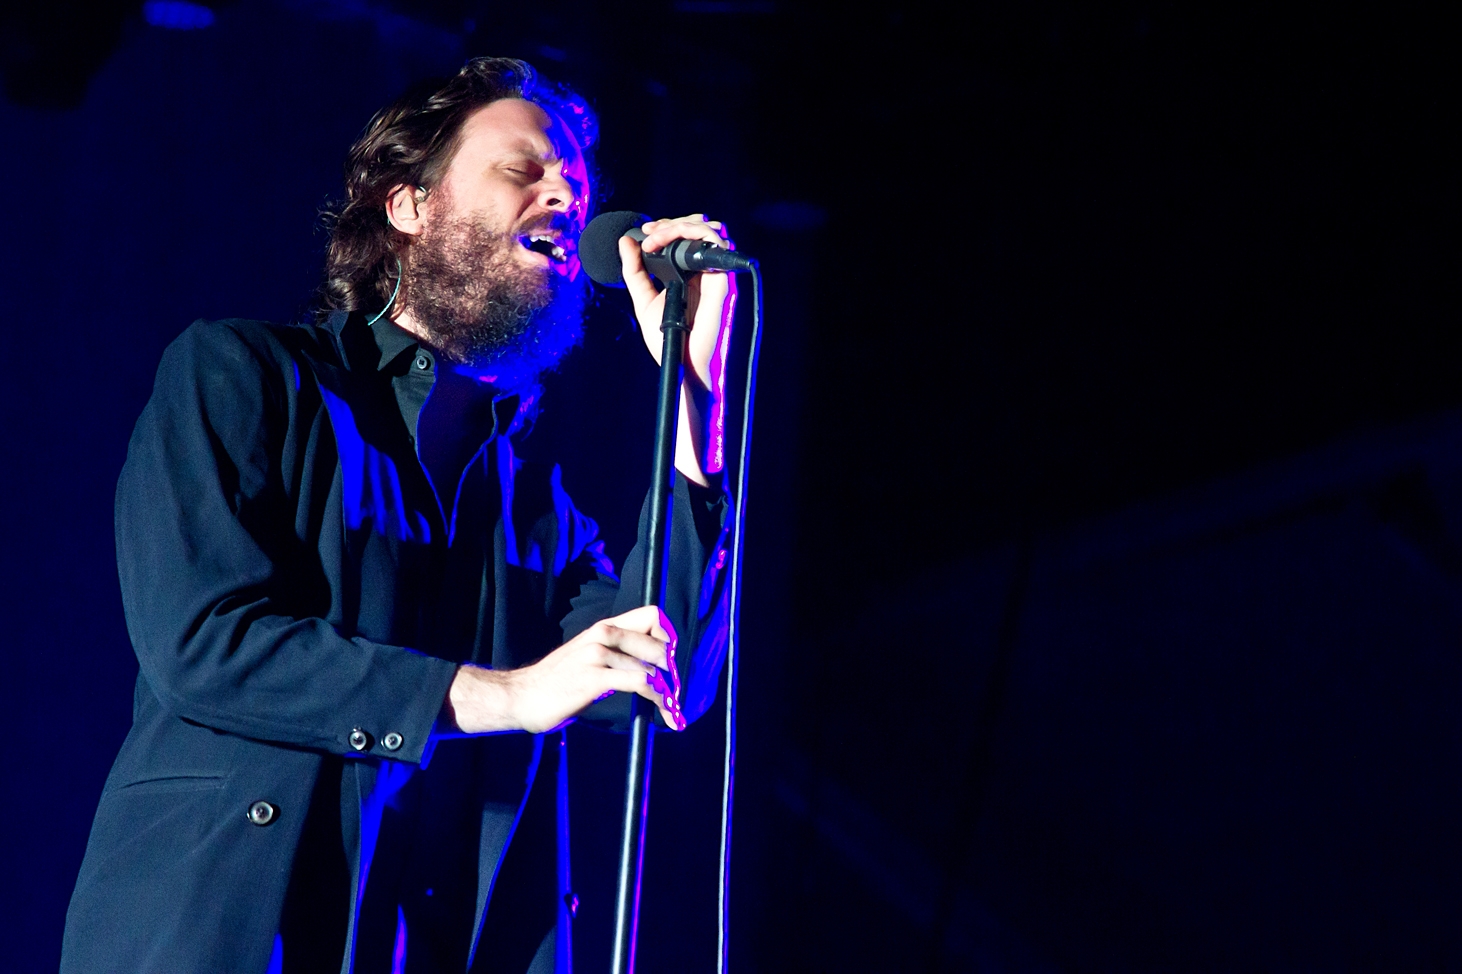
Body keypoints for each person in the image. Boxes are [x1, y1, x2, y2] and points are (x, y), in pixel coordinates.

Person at [60, 57, 736, 974]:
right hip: (229, 932)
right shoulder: (243, 375)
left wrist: (697, 391)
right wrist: (502, 695)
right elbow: (205, 642)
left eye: (576, 191)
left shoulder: (536, 505)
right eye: (524, 170)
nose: (564, 199)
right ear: (409, 206)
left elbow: (655, 679)